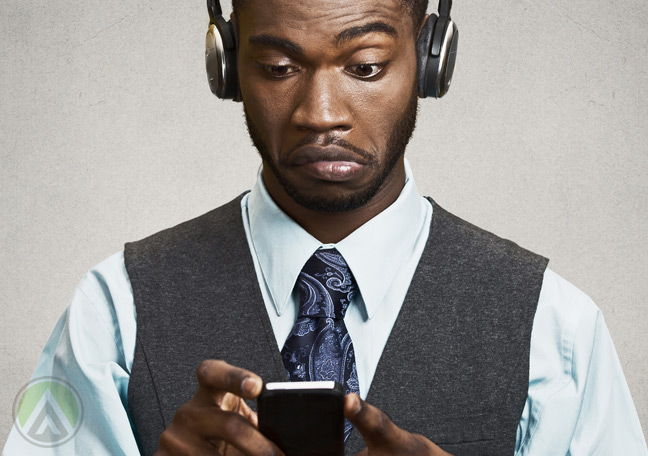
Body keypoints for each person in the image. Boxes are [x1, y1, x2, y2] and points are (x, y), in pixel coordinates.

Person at [3, 0, 647, 454]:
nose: (321, 113)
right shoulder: (113, 311)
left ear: (428, 59)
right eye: (279, 68)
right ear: (226, 68)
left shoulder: (552, 326)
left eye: (364, 66)